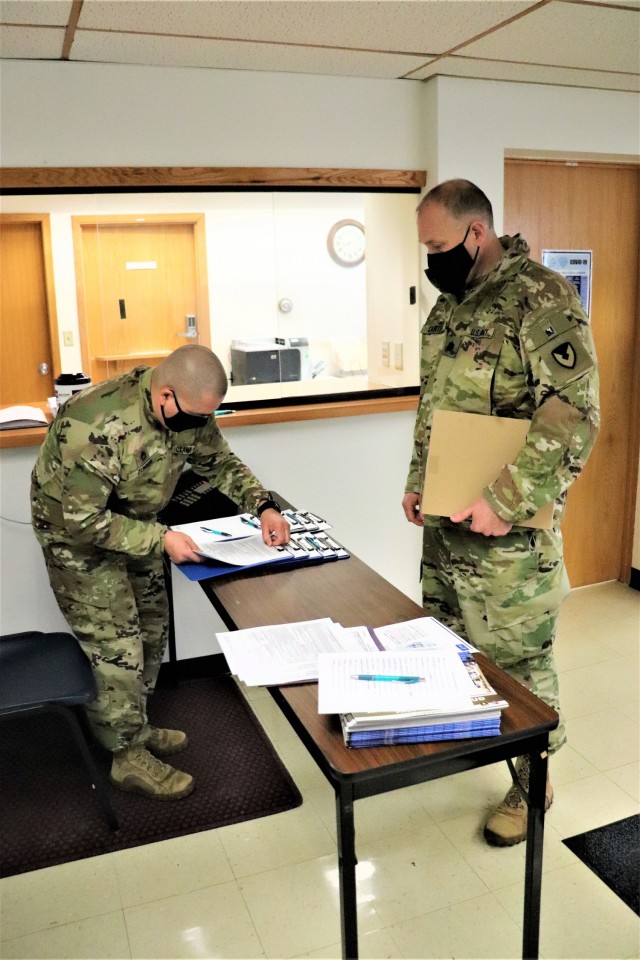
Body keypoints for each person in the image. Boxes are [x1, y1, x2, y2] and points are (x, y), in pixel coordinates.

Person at [402, 179, 599, 846]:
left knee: (518, 663)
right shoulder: (448, 310)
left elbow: (573, 414)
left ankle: (531, 785)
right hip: (447, 530)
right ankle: (482, 744)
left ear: (475, 233)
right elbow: (433, 407)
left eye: (436, 244)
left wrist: (505, 501)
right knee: (454, 649)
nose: (430, 258)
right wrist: (416, 481)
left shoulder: (540, 298)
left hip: (509, 542)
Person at [31, 345, 289, 801]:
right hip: (79, 542)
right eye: (191, 417)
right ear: (164, 394)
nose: (197, 425)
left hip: (139, 527)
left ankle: (135, 724)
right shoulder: (94, 424)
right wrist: (162, 539)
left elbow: (219, 462)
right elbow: (83, 521)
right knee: (118, 647)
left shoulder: (187, 410)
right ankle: (125, 756)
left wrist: (263, 505)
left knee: (151, 630)